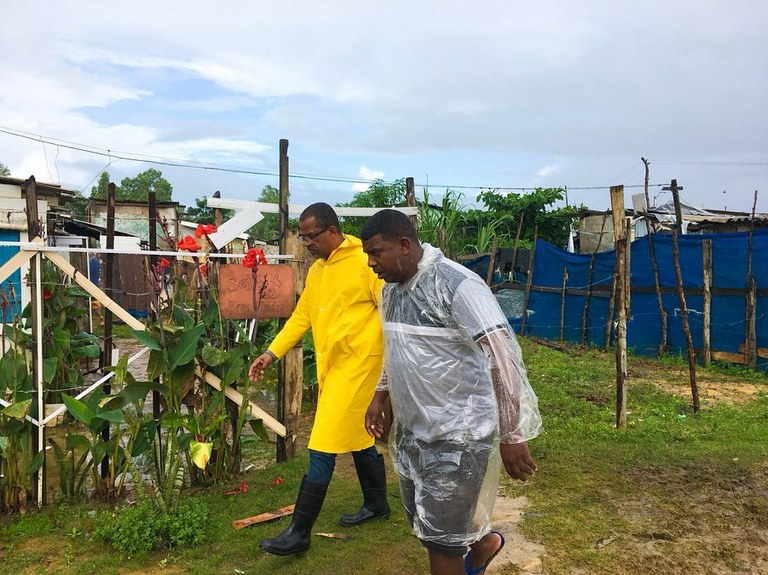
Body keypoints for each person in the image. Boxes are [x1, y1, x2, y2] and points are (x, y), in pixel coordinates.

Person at [360, 209, 542, 575]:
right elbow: (397, 348)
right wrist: (380, 394)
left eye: (376, 252)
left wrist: (511, 432)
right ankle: (484, 542)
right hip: (414, 430)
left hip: (459, 435)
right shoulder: (392, 291)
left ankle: (470, 548)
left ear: (405, 245)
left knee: (441, 544)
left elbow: (502, 356)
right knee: (428, 524)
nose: (371, 262)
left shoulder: (457, 285)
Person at [248, 202, 390, 557]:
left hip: (362, 366)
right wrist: (271, 353)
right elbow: (301, 317)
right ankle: (377, 505)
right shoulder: (317, 271)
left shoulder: (364, 262)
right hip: (334, 367)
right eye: (302, 236)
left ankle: (299, 531)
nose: (306, 243)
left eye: (310, 236)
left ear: (331, 231)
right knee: (359, 438)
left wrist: (388, 377)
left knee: (322, 444)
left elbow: (390, 315)